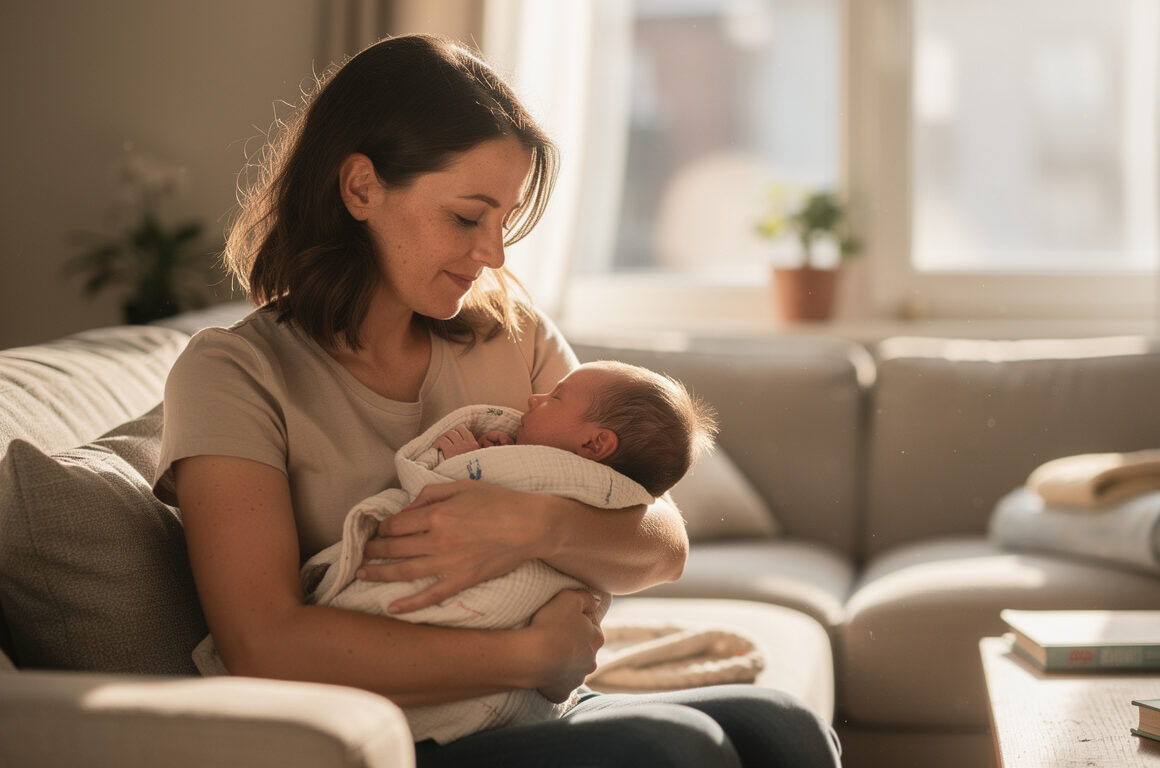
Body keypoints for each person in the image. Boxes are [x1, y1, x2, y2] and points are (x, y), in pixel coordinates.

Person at [153, 33, 841, 767]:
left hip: (523, 709)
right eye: (466, 216)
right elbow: (263, 644)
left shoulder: (509, 334)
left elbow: (662, 546)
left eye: (503, 220)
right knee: (676, 749)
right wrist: (527, 657)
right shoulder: (235, 375)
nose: (494, 254)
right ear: (360, 189)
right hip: (389, 736)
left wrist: (535, 523)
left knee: (784, 726)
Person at [433, 360, 713, 498]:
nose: (534, 398)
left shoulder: (581, 490)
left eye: (554, 397)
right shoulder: (572, 476)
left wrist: (468, 462)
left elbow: (485, 506)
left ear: (594, 444)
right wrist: (503, 456)